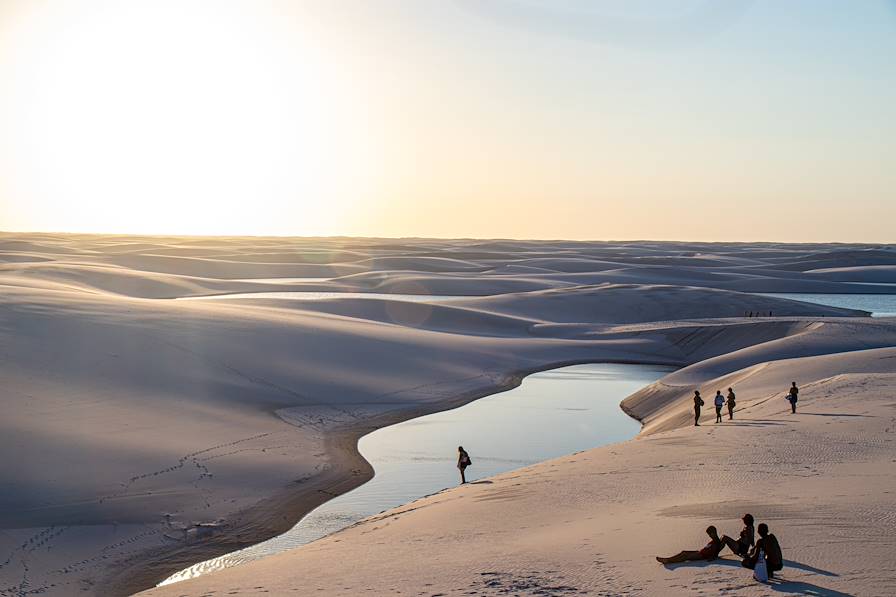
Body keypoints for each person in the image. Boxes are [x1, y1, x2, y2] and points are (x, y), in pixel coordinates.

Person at [656, 526, 723, 564]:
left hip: (701, 556)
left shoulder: (716, 542)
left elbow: (715, 552)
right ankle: (668, 559)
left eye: (710, 534)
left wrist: (712, 557)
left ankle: (668, 560)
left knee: (685, 556)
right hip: (699, 552)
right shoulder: (714, 541)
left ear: (713, 533)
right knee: (683, 552)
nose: (709, 536)